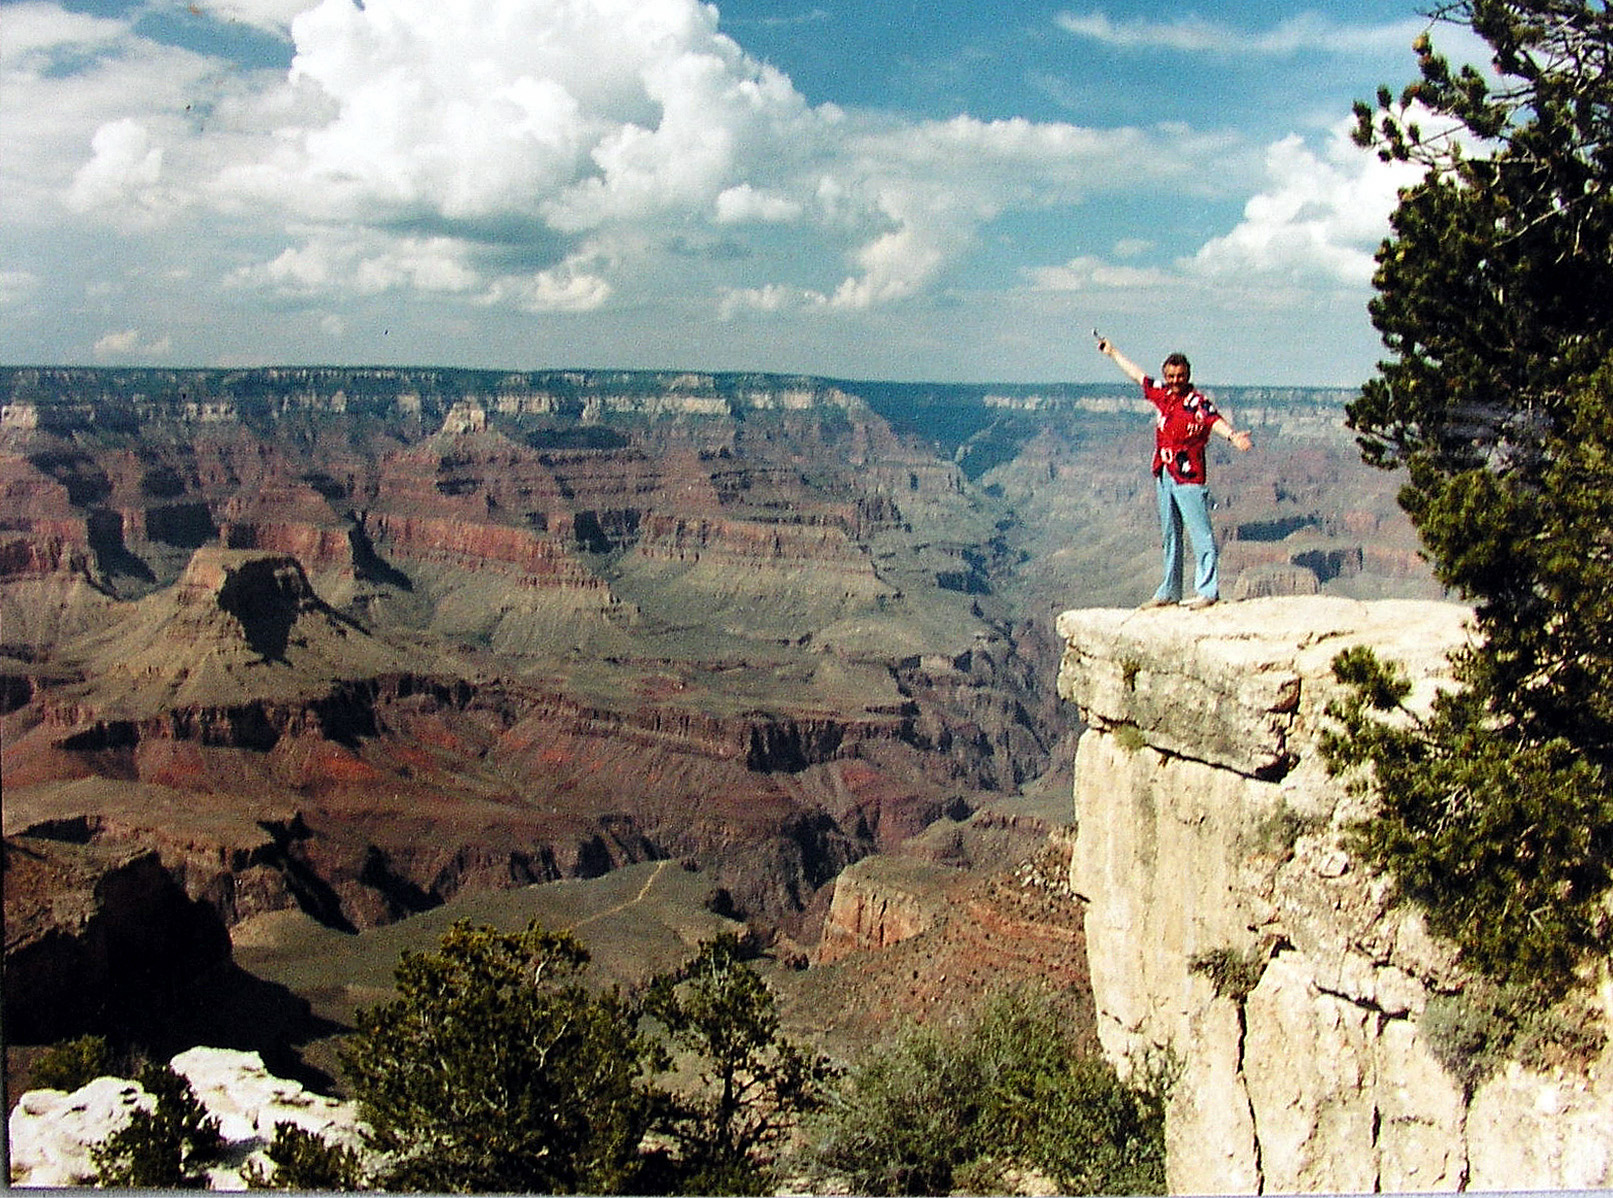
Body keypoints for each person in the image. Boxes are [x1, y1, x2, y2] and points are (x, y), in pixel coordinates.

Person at [1096, 336, 1253, 609]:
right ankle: (1169, 591)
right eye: (1170, 376)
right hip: (1165, 473)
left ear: (1188, 375)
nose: (1175, 380)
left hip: (1189, 476)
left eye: (1180, 376)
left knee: (1200, 533)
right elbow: (1138, 376)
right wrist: (1112, 353)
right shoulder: (1163, 395)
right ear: (1165, 376)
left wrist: (1233, 437)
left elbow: (1215, 420)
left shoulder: (1196, 403)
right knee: (1170, 534)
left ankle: (1207, 591)